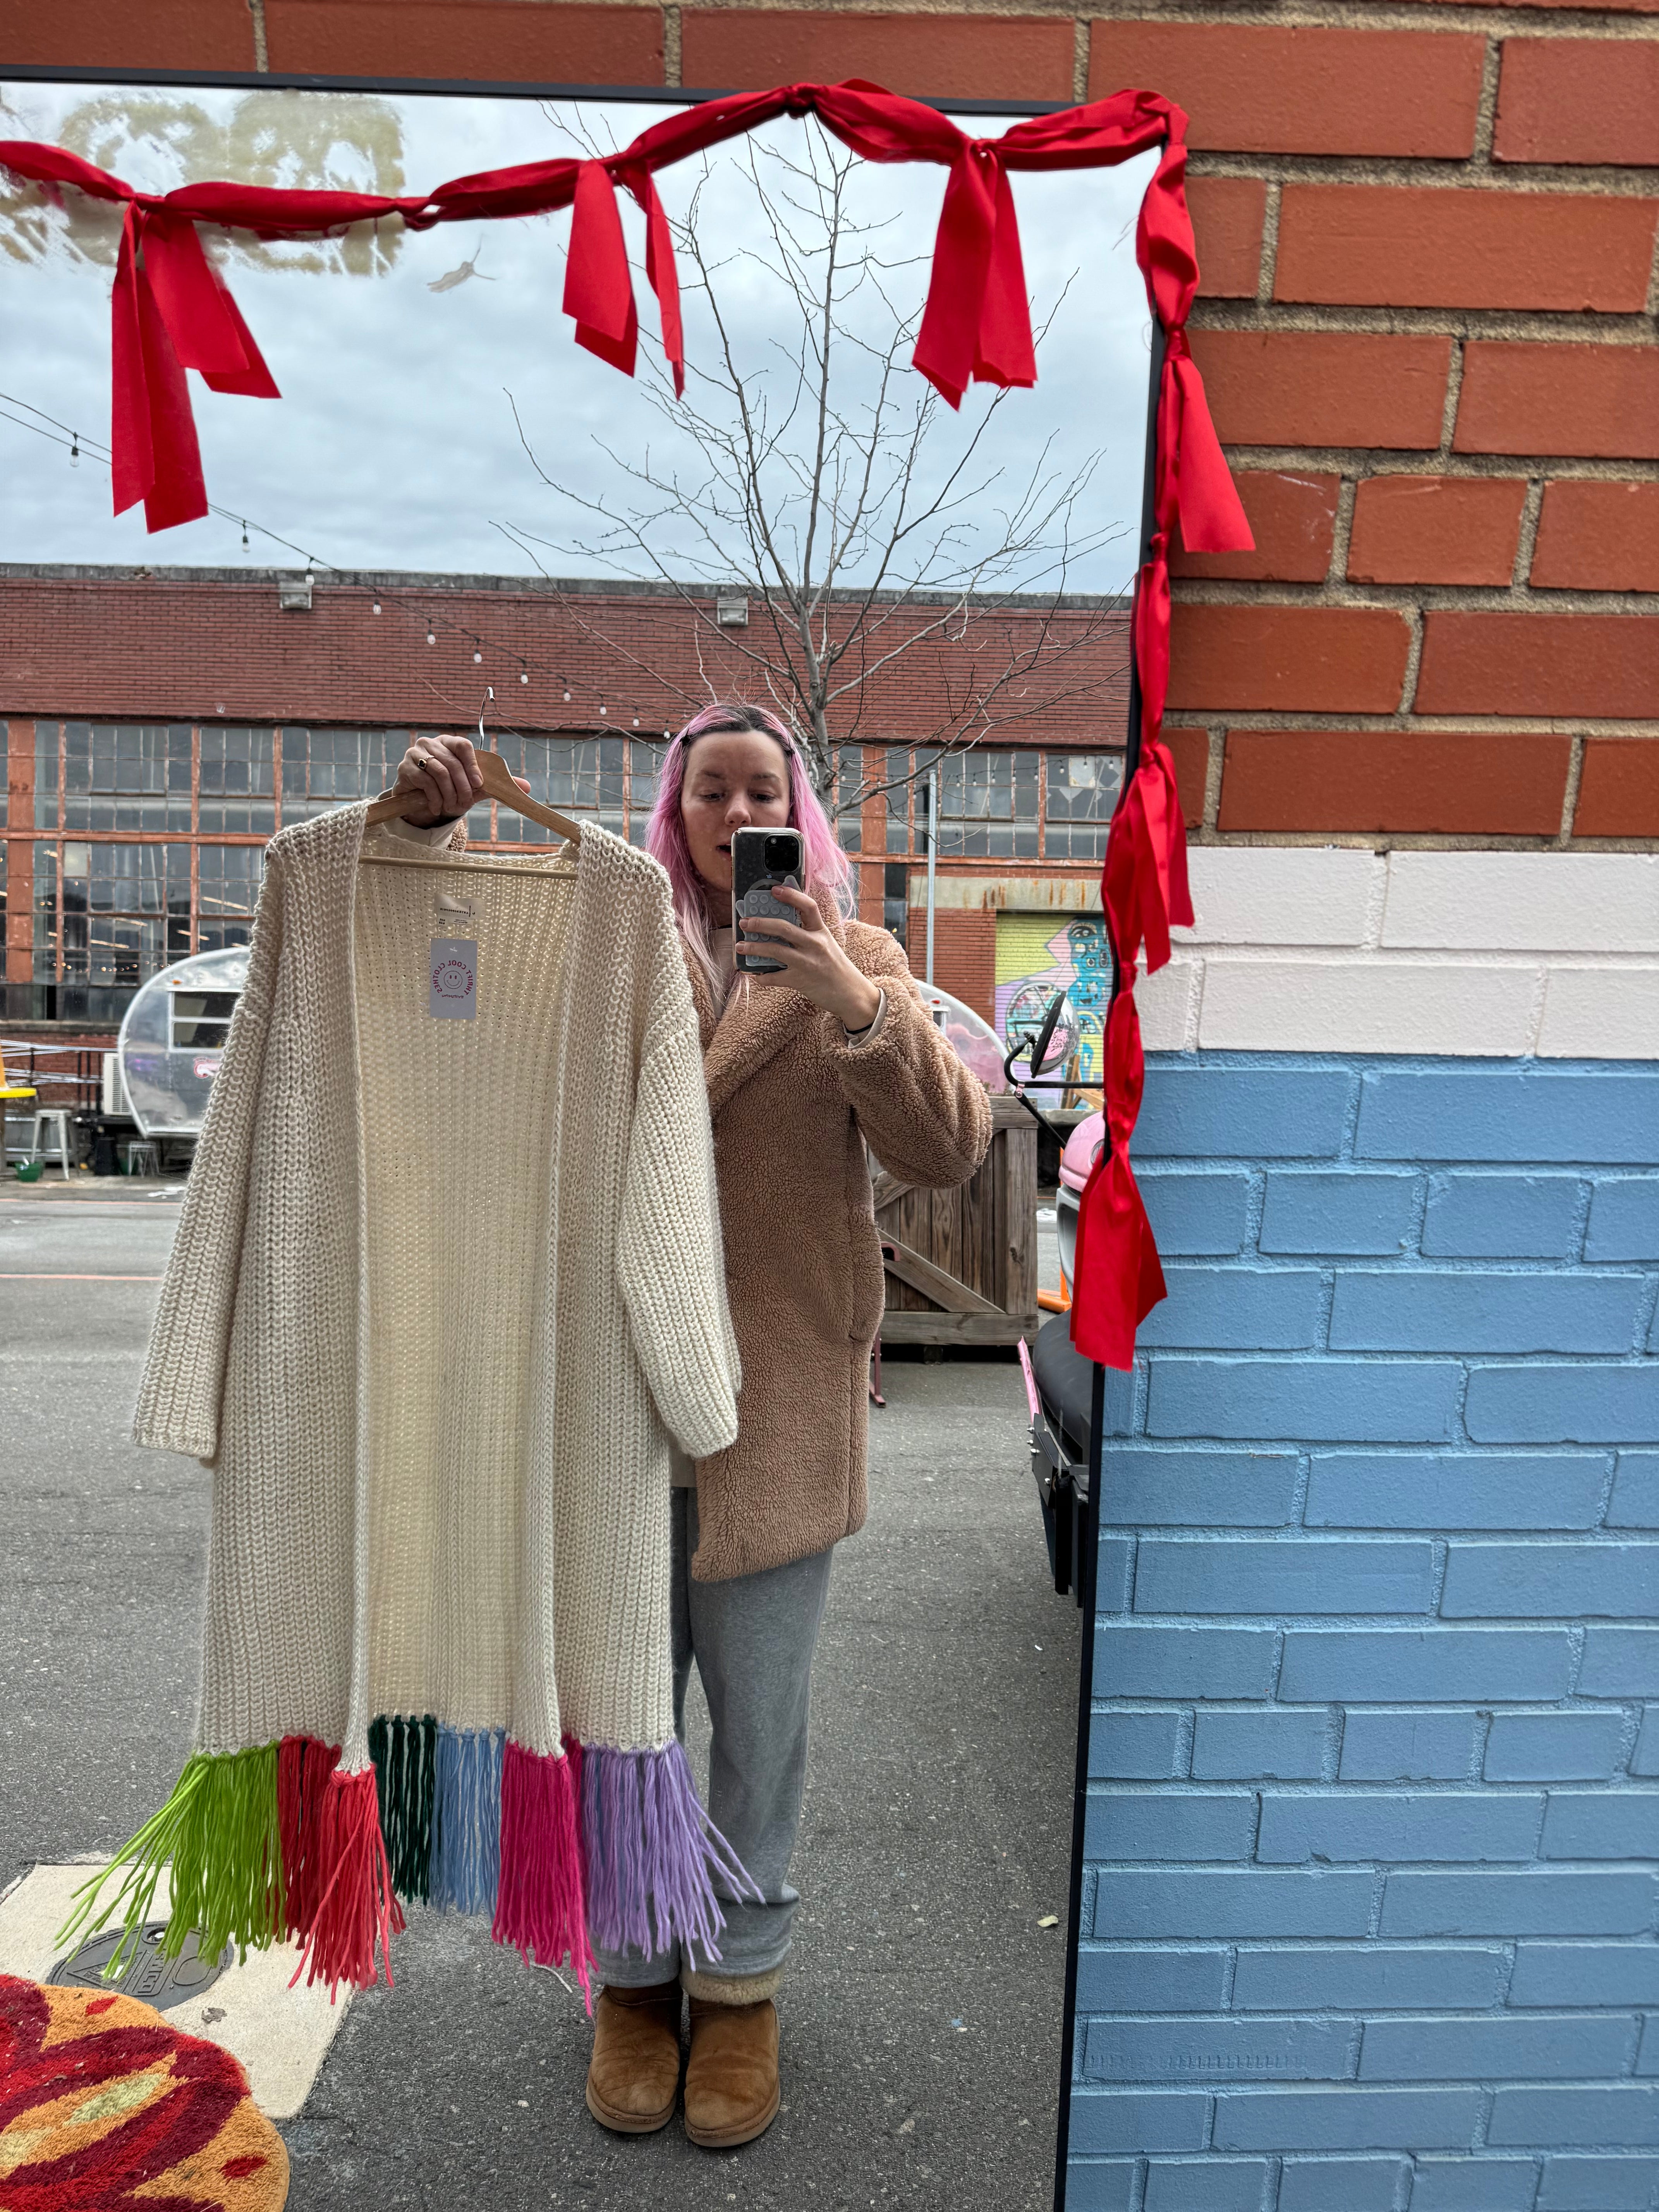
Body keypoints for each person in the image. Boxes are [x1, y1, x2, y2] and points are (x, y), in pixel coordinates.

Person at [387, 701, 991, 2149]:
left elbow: (946, 1147)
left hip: (777, 1399)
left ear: (799, 814)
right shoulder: (609, 952)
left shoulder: (866, 962)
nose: (733, 815)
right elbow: (436, 1002)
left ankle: (744, 1989)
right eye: (707, 791)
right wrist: (426, 833)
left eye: (758, 791)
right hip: (615, 1395)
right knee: (620, 1709)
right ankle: (638, 1982)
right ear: (675, 813)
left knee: (760, 1728)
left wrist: (854, 1004)